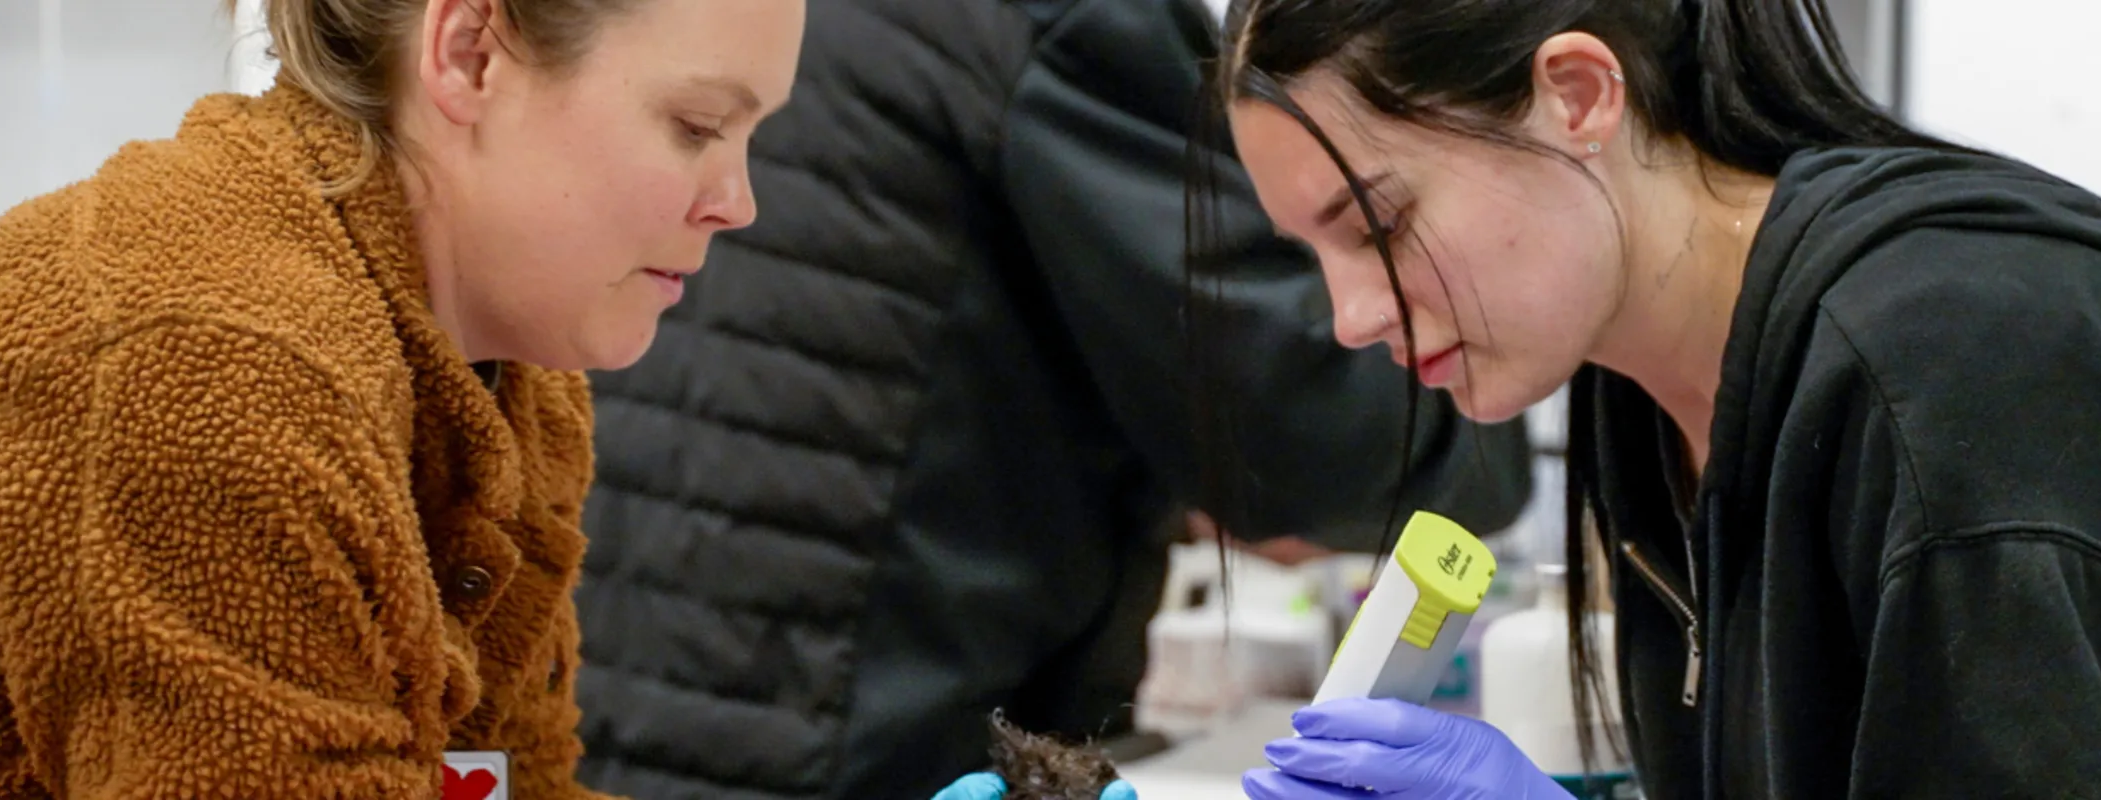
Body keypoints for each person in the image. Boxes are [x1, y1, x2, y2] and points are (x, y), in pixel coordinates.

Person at [1191, 0, 2101, 797]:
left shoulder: (1963, 368)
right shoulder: (1659, 385)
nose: (1352, 318)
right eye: (1315, 258)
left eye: (1380, 226)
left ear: (1575, 94)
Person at [0, 0, 801, 795]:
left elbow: (508, 778)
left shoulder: (505, 372)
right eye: (697, 127)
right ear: (468, 51)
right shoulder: (216, 356)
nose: (737, 201)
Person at [565, 0, 1532, 798]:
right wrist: (1483, 409)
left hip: (631, 681)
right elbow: (1298, 433)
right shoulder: (1065, 23)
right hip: (861, 729)